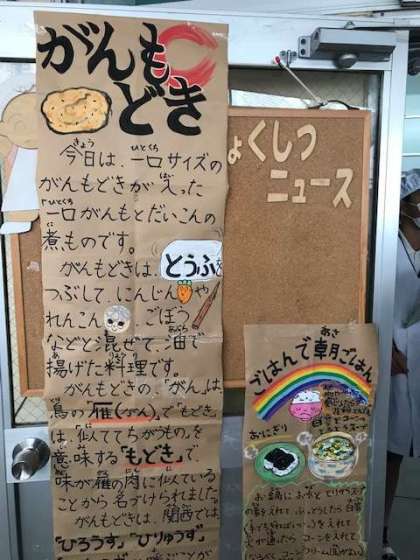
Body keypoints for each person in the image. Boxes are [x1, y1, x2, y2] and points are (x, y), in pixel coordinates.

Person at [383, 170, 420, 560]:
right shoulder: (386, 243)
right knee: (390, 449)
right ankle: (381, 531)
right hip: (393, 353)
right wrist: (386, 346)